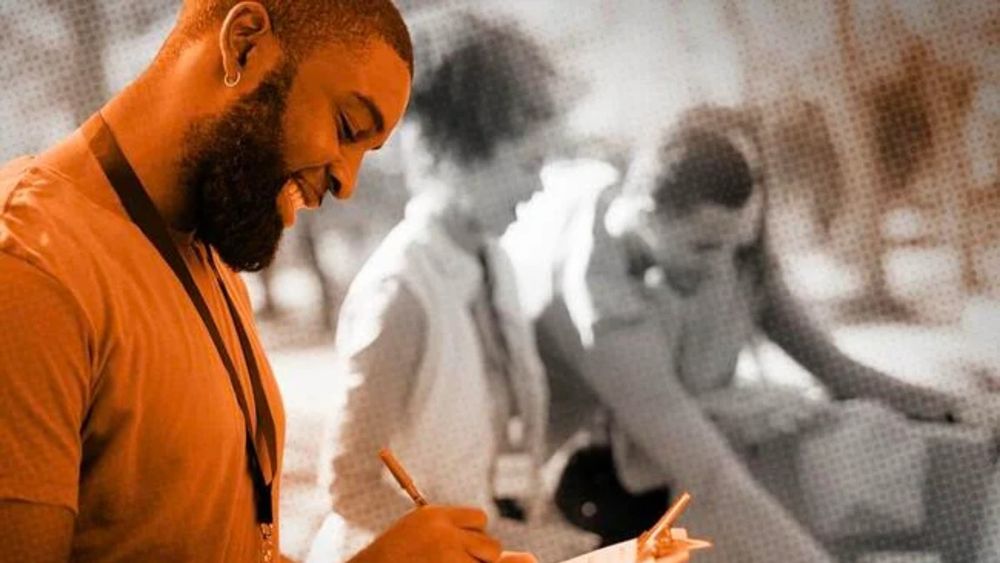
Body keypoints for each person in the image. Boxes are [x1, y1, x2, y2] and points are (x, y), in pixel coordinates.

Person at [0, 1, 524, 561]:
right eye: (347, 128)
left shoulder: (208, 255)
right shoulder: (30, 267)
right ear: (245, 45)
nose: (347, 182)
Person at [501, 106, 1000, 561]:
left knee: (875, 451)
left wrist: (958, 409)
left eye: (733, 247)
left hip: (680, 463)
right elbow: (709, 474)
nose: (722, 266)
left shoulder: (722, 247)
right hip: (579, 483)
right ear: (648, 213)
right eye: (704, 247)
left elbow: (834, 368)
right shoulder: (599, 298)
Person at [307, 11, 598, 563]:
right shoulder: (400, 293)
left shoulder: (496, 264)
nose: (540, 185)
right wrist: (493, 545)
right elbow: (349, 485)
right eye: (527, 163)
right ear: (454, 155)